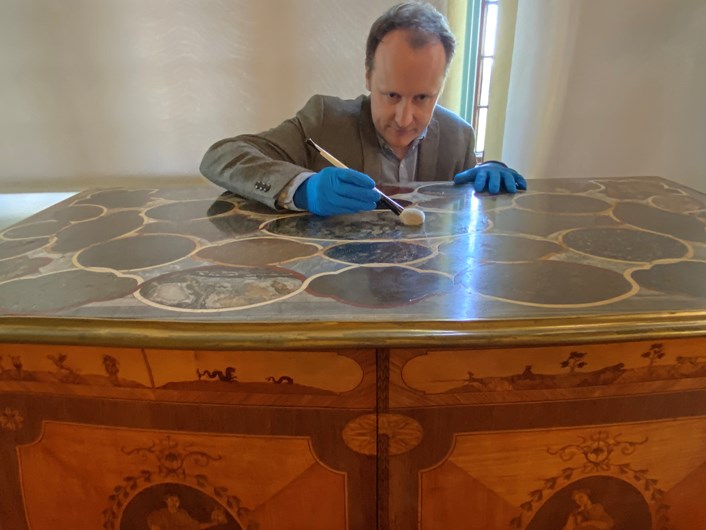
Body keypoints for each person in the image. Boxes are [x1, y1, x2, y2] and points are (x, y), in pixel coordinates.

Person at [200, 2, 526, 216]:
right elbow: (221, 157)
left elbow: (462, 229)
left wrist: (488, 173)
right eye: (392, 95)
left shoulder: (459, 137)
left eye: (423, 98)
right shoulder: (324, 120)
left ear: (440, 86)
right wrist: (301, 189)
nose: (405, 118)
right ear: (368, 76)